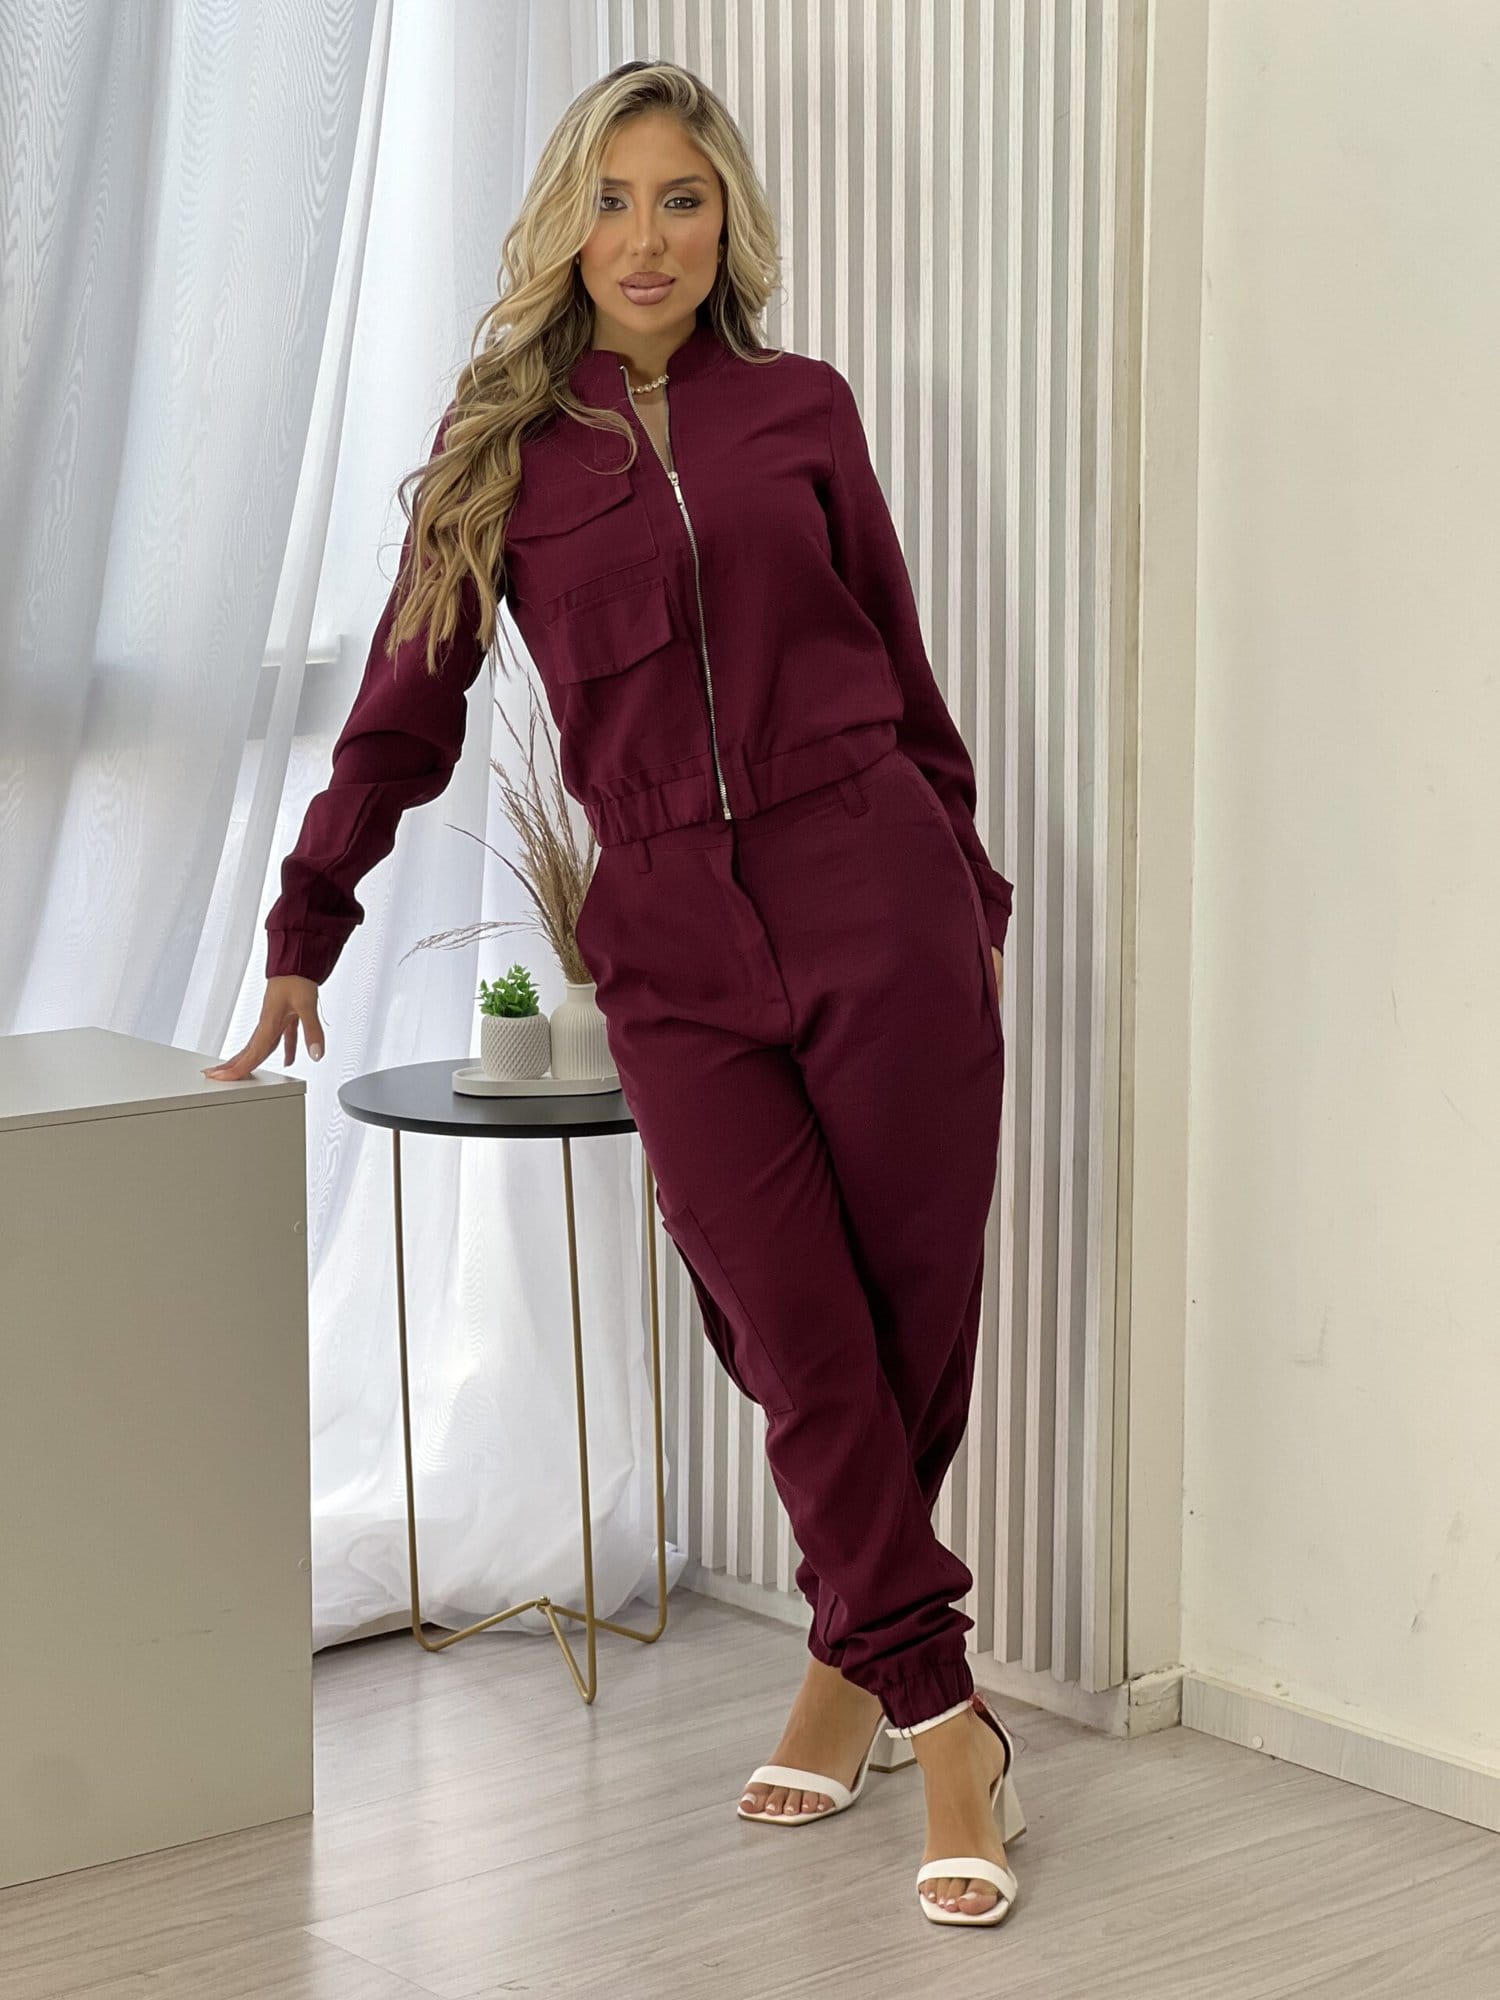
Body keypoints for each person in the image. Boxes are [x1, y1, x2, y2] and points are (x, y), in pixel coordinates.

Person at [204, 61, 1024, 1929]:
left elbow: (902, 671)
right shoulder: (499, 449)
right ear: (562, 224)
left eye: (682, 200)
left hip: (876, 887)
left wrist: (966, 883)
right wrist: (306, 918)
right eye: (610, 198)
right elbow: (401, 707)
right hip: (665, 934)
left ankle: (854, 1677)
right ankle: (953, 1722)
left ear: (727, 222)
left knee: (907, 1332)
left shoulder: (805, 410)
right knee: (790, 1334)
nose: (646, 239)